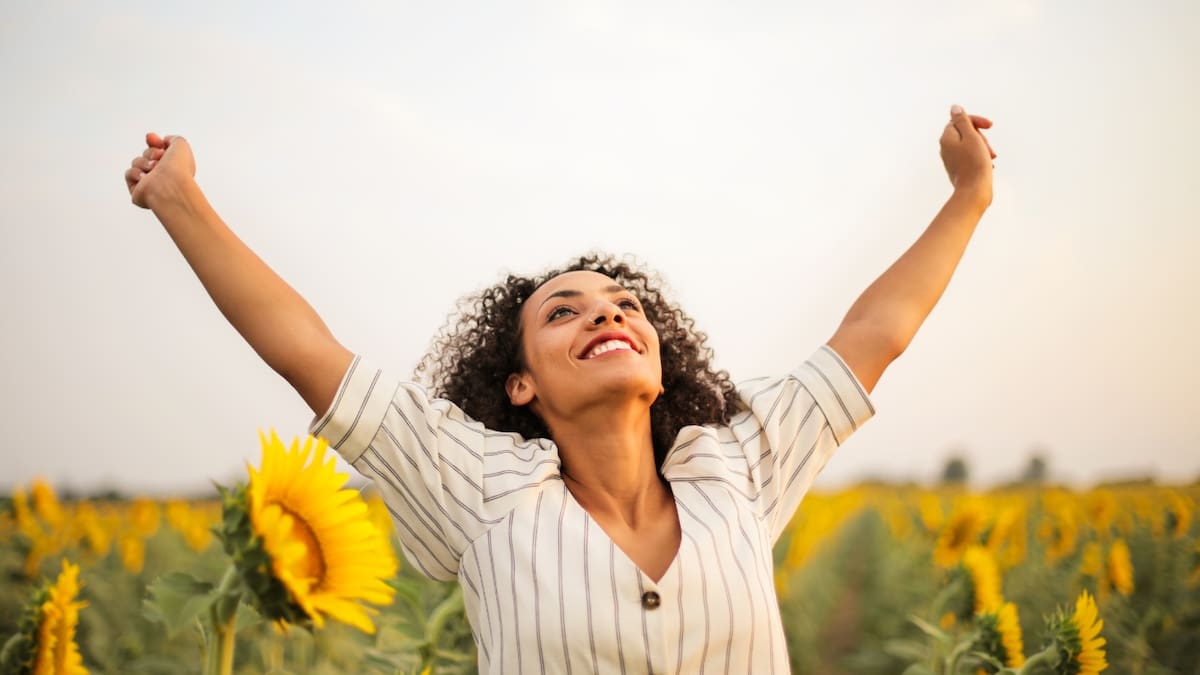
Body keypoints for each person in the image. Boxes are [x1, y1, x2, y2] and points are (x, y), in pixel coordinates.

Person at [124, 104, 996, 673]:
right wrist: (179, 198)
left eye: (624, 305)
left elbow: (874, 334)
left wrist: (969, 195)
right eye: (563, 312)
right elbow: (307, 352)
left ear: (659, 362)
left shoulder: (736, 463)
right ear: (519, 384)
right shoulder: (479, 488)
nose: (606, 313)